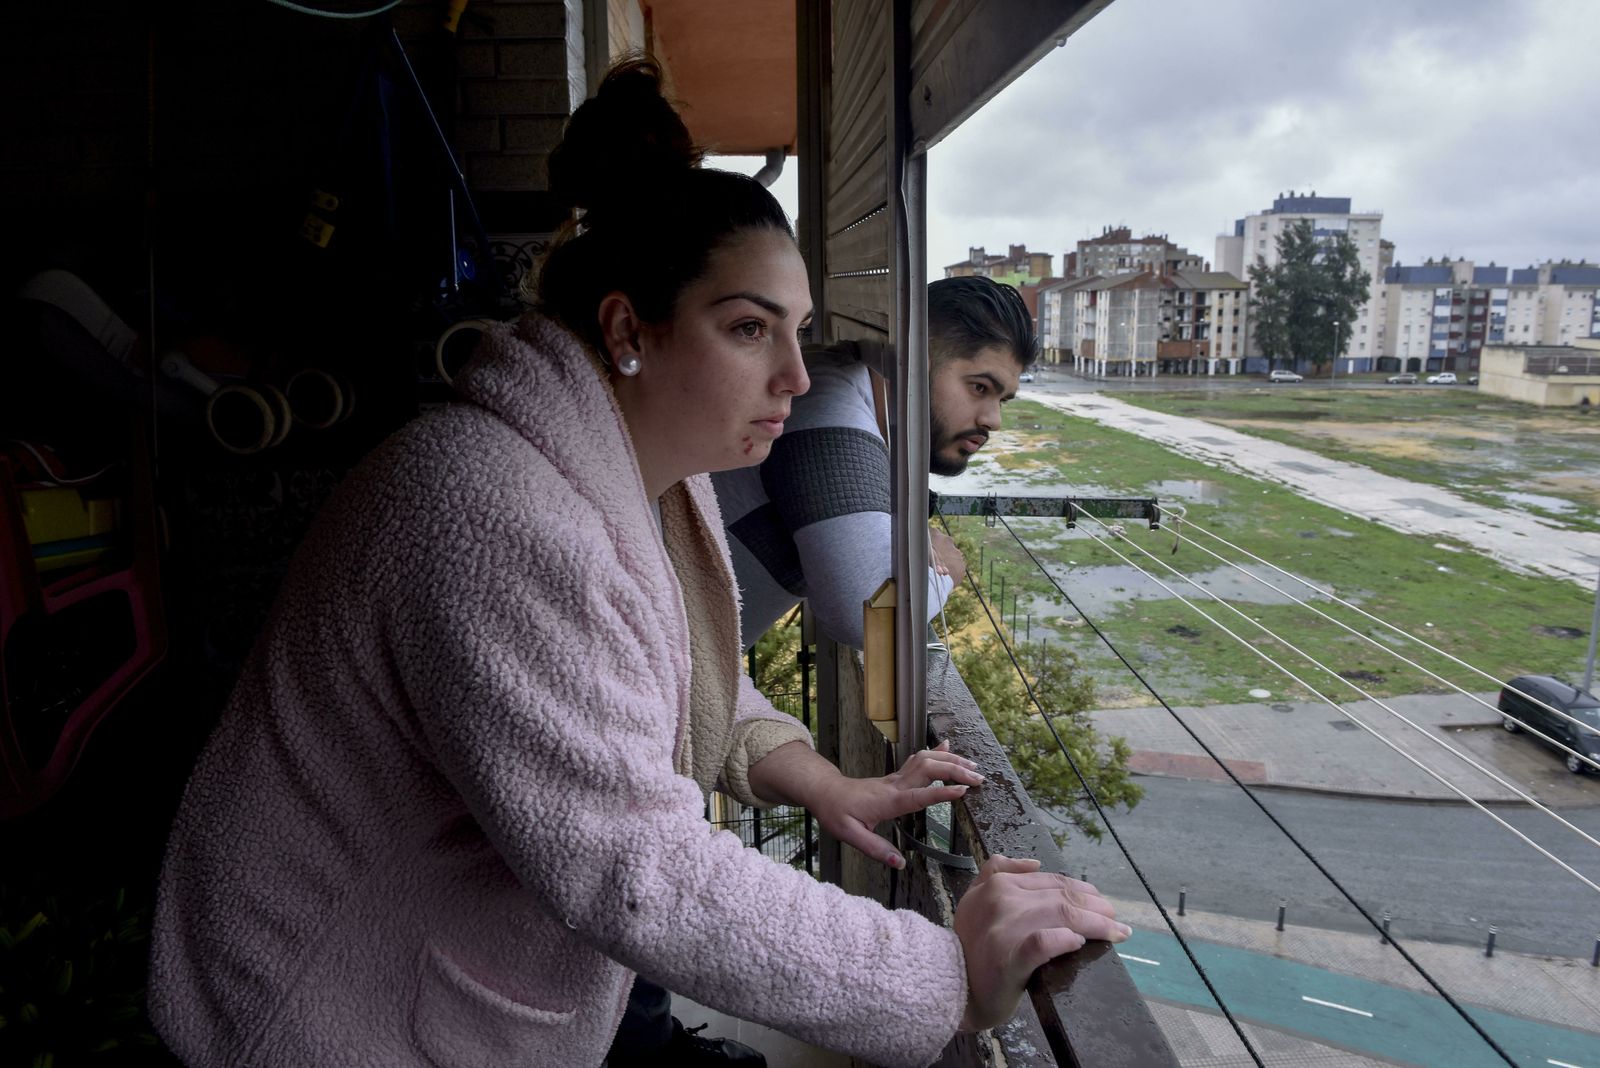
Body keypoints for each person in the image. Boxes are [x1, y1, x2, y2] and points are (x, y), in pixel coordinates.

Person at [148, 59, 1126, 1068]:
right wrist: (939, 976)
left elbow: (687, 677)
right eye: (748, 329)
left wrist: (821, 781)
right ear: (627, 330)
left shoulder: (634, 472)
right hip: (316, 1013)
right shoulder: (492, 511)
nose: (794, 376)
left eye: (796, 333)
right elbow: (632, 865)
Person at [713, 275, 1034, 651]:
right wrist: (947, 572)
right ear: (913, 362)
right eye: (979, 387)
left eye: (1003, 400)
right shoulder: (825, 403)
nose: (993, 420)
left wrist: (900, 533)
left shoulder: (850, 388)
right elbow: (868, 616)